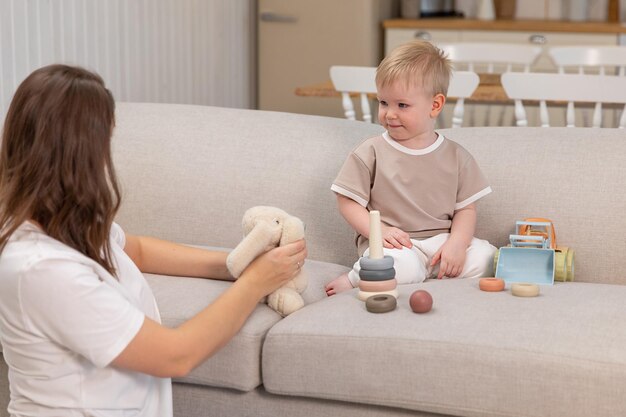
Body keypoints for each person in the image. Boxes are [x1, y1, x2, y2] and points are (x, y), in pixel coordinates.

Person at [0, 64, 307, 416]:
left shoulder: (58, 219)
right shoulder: (41, 270)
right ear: (77, 153)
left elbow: (137, 250)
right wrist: (255, 283)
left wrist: (236, 263)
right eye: (105, 143)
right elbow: (176, 355)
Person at [325, 40, 496, 296]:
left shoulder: (457, 156)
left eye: (401, 105)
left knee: (488, 257)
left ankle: (432, 271)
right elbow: (347, 201)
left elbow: (466, 209)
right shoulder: (370, 152)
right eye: (383, 103)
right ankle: (354, 278)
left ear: (435, 105)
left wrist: (457, 245)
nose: (389, 114)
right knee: (398, 266)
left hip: (441, 243)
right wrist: (379, 232)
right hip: (395, 244)